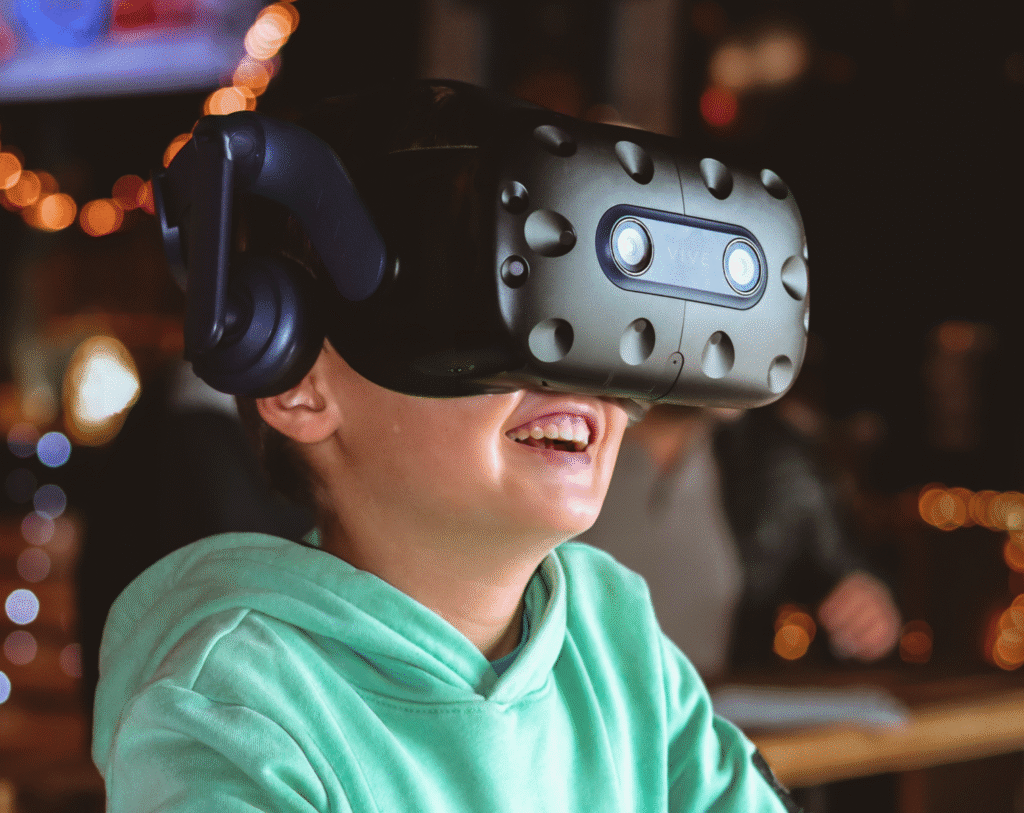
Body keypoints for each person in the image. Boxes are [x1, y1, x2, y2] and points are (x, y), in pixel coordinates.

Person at [91, 82, 803, 812]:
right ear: (298, 383)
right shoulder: (233, 711)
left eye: (600, 319)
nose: (573, 370)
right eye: (503, 297)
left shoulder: (613, 638)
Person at [580, 404, 901, 679]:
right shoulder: (557, 442)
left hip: (712, 729)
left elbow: (843, 570)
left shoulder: (771, 460)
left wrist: (867, 607)